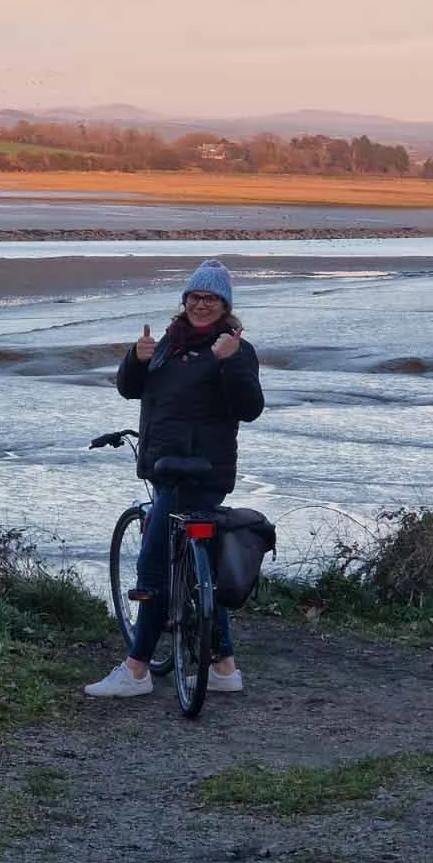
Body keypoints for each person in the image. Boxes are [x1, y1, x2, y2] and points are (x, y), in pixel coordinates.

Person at [85, 259, 265, 697]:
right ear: (184, 300)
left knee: (153, 569)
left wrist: (228, 363)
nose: (201, 305)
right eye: (195, 297)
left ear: (225, 306)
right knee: (199, 571)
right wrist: (135, 358)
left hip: (200, 472)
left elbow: (250, 407)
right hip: (164, 468)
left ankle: (137, 669)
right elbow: (132, 389)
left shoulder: (234, 348)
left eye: (211, 299)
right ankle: (224, 669)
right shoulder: (169, 341)